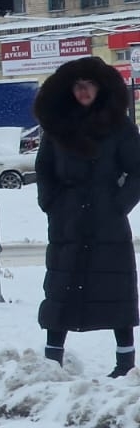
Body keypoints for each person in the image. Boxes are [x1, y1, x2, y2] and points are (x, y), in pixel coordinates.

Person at [32, 56, 140, 379]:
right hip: (67, 220)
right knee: (61, 289)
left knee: (116, 290)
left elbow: (137, 171)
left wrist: (118, 204)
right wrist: (51, 202)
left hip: (108, 220)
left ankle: (125, 364)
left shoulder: (119, 127)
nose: (83, 91)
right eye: (77, 86)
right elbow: (44, 169)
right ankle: (52, 362)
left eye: (89, 85)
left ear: (100, 88)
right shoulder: (57, 127)